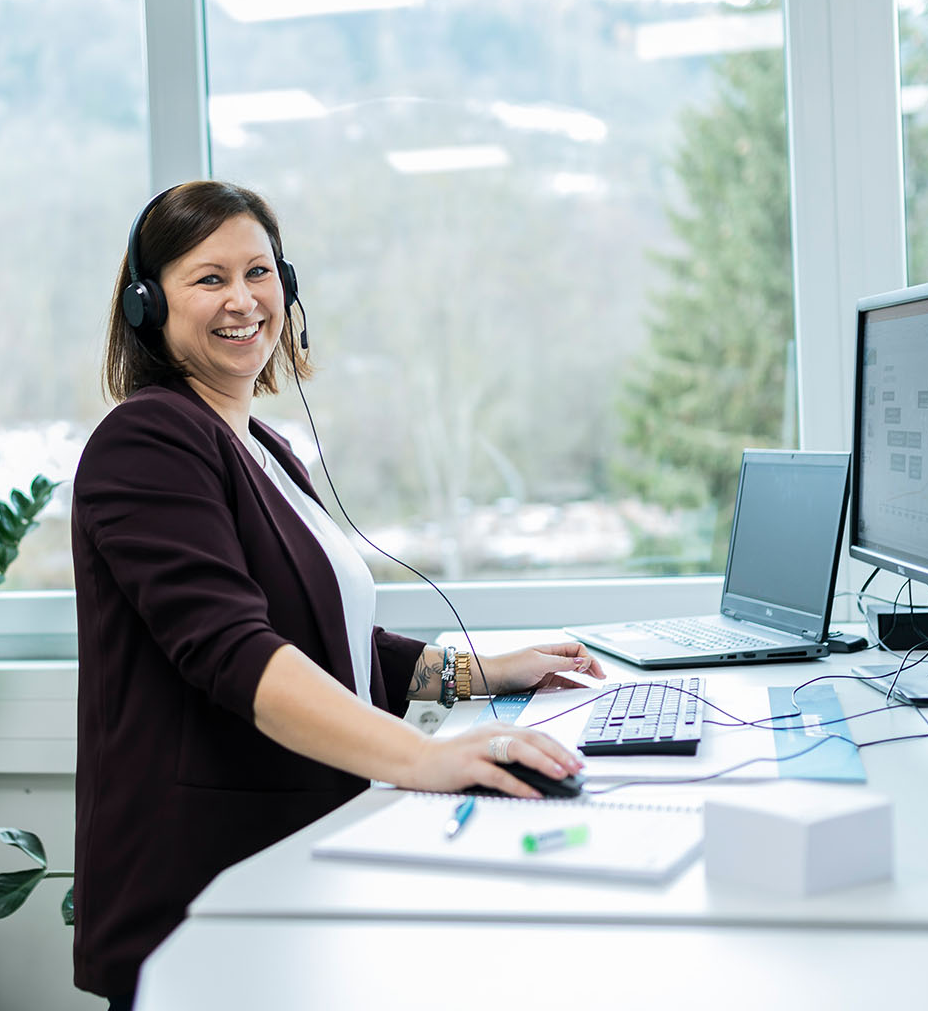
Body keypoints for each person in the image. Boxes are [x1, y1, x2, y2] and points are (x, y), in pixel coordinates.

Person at [70, 181, 605, 1008]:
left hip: (289, 862)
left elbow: (331, 645)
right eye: (209, 279)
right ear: (148, 306)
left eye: (259, 272)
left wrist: (483, 672)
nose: (244, 300)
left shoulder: (261, 447)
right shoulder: (146, 440)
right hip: (203, 887)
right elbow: (237, 653)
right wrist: (428, 760)